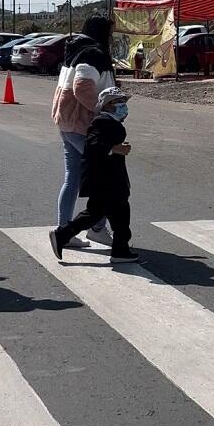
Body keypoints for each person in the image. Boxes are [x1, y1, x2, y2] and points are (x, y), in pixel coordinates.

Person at [49, 87, 137, 264]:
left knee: (108, 213)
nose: (123, 106)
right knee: (108, 213)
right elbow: (92, 146)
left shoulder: (111, 121)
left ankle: (120, 250)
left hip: (109, 180)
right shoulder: (102, 121)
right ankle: (63, 234)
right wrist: (114, 148)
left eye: (123, 102)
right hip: (106, 181)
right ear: (108, 105)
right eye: (118, 102)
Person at [51, 16, 116, 249]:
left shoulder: (77, 49)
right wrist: (103, 107)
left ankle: (64, 230)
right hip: (82, 124)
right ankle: (96, 228)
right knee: (108, 177)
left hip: (67, 121)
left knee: (73, 177)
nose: (111, 38)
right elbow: (81, 87)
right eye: (110, 33)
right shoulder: (93, 53)